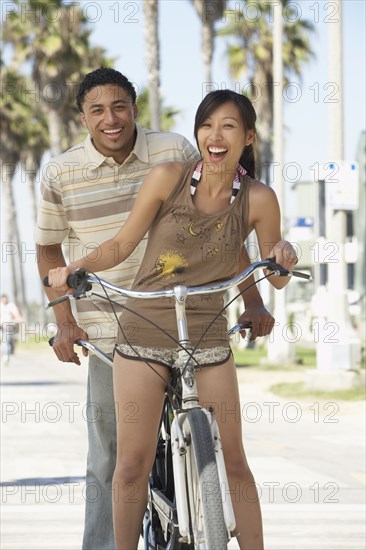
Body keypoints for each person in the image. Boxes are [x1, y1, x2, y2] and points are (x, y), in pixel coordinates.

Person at [48, 89, 298, 550]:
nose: (214, 136)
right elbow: (123, 243)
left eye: (227, 126)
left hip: (207, 333)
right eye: (206, 125)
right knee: (131, 464)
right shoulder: (169, 176)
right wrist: (79, 269)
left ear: (248, 137)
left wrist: (283, 254)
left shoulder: (260, 199)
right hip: (144, 329)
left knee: (236, 461)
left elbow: (272, 270)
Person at [0, 294, 22, 365]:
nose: (4, 300)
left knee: (9, 340)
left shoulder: (11, 305)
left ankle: (9, 353)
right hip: (2, 325)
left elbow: (16, 314)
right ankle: (6, 354)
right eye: (3, 299)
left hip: (10, 325)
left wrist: (17, 320)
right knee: (5, 340)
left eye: (5, 299)